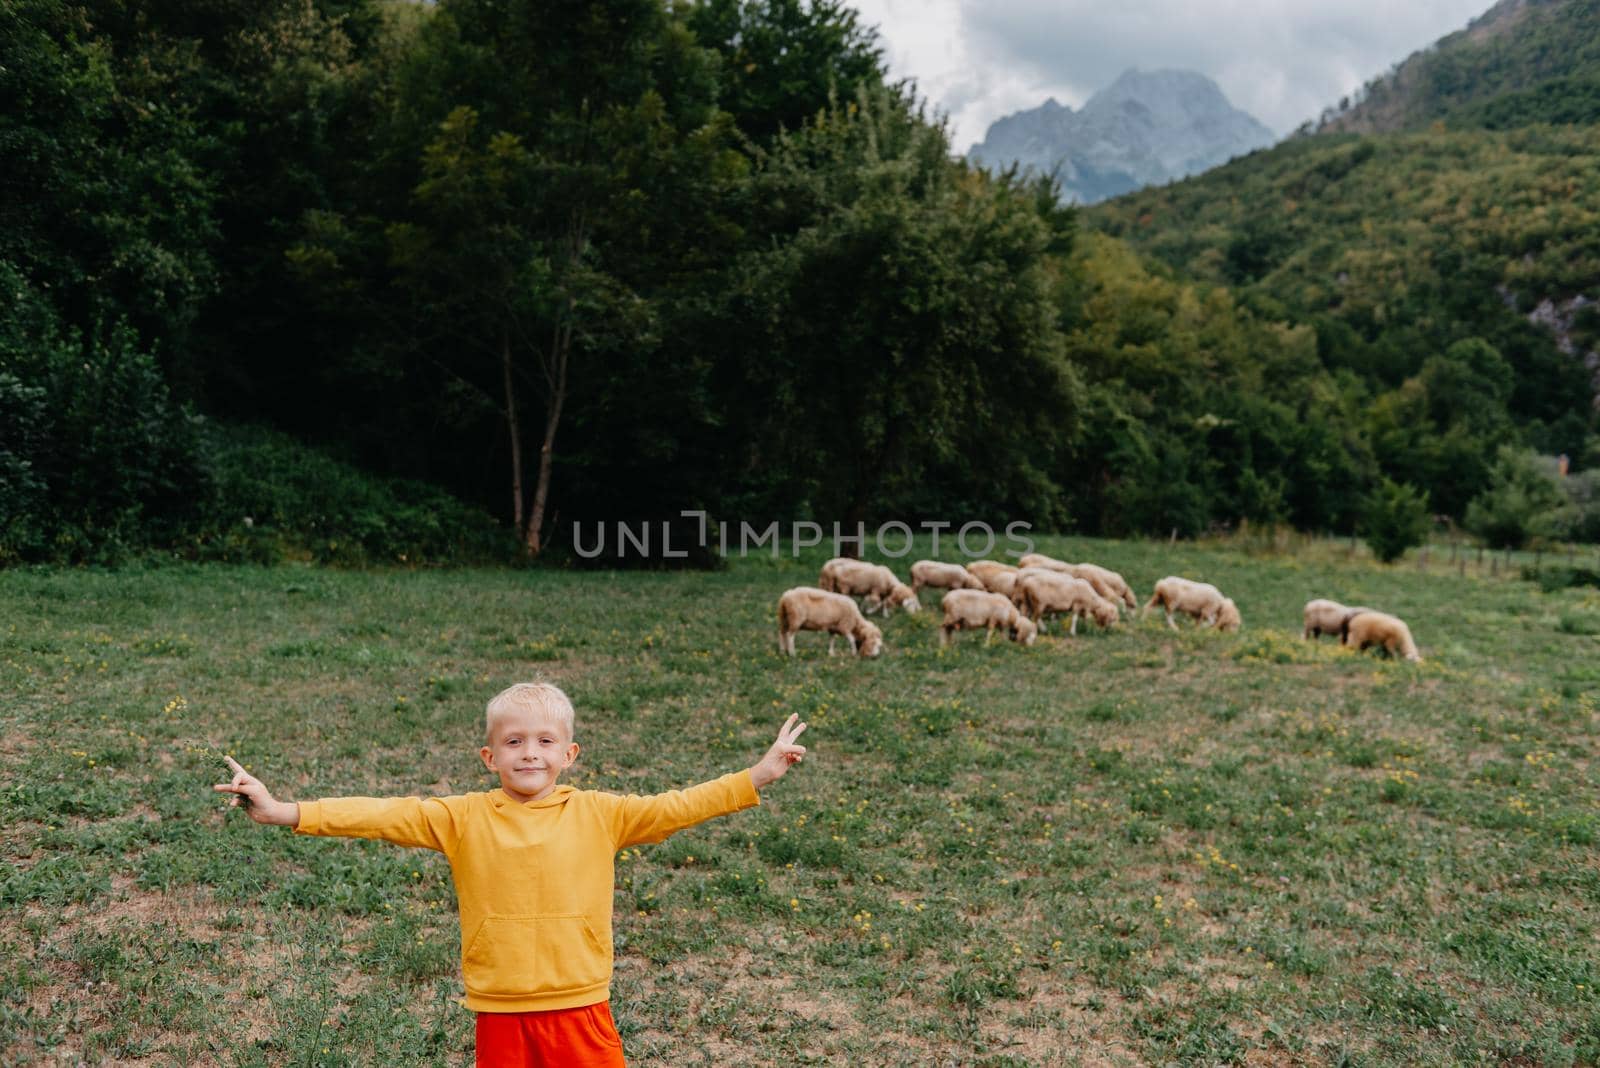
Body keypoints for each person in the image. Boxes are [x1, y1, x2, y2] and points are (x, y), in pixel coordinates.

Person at [214, 681, 809, 1068]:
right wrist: (283, 811)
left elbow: (679, 804)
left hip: (579, 1004)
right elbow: (380, 815)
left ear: (569, 754)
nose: (530, 753)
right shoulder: (461, 816)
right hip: (499, 1008)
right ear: (489, 756)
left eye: (546, 741)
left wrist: (756, 775)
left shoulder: (603, 814)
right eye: (515, 741)